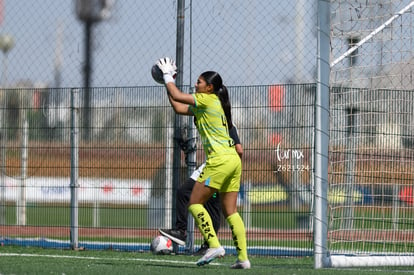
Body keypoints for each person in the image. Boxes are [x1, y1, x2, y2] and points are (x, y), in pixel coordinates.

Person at [156, 57, 251, 269]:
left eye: (199, 82)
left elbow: (178, 95)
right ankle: (243, 258)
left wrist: (167, 76)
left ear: (209, 88)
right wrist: (167, 83)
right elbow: (179, 106)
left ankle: (214, 245)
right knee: (231, 211)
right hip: (232, 161)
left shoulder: (207, 100)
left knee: (194, 203)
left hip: (219, 160)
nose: (196, 85)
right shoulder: (209, 104)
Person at [159, 125, 243, 256]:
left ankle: (206, 244)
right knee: (188, 194)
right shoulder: (207, 118)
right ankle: (185, 234)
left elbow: (239, 150)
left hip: (221, 166)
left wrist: (229, 168)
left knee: (212, 206)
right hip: (212, 164)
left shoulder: (226, 123)